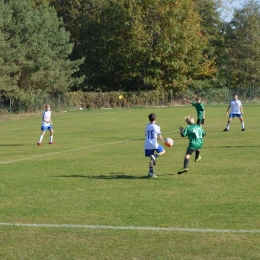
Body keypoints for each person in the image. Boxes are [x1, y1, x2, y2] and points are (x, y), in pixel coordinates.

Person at [144, 113, 165, 178]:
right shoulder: (157, 126)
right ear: (155, 119)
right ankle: (155, 156)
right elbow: (160, 136)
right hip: (154, 144)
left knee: (151, 159)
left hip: (147, 144)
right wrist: (163, 140)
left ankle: (151, 172)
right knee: (163, 151)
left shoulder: (147, 126)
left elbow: (146, 134)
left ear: (149, 119)